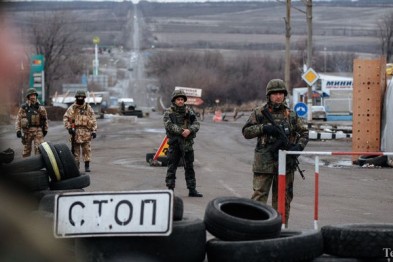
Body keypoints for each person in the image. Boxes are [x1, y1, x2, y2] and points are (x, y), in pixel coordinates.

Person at [242, 79, 309, 227]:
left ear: (284, 95)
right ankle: (255, 229)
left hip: (286, 163)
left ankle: (281, 229)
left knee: (283, 199)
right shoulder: (259, 112)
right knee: (259, 198)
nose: (278, 97)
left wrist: (298, 148)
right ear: (269, 95)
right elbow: (246, 132)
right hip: (264, 162)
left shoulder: (291, 115)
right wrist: (263, 128)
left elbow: (305, 132)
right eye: (275, 94)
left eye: (281, 94)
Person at [163, 89, 203, 197]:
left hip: (187, 144)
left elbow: (196, 123)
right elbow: (169, 126)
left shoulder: (188, 111)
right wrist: (182, 131)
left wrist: (189, 130)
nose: (180, 101)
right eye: (178, 99)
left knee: (189, 167)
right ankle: (170, 190)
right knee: (172, 167)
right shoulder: (169, 113)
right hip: (175, 144)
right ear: (174, 101)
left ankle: (192, 189)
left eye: (182, 99)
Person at [63, 90, 97, 172]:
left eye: (82, 97)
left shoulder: (88, 108)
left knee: (87, 150)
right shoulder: (72, 108)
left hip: (86, 132)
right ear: (76, 98)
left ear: (84, 98)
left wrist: (94, 130)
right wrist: (69, 128)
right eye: (79, 97)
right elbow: (66, 118)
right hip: (76, 132)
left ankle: (87, 165)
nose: (80, 99)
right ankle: (76, 166)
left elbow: (93, 119)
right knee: (75, 151)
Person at [15, 88, 48, 158]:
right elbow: (18, 119)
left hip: (38, 130)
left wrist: (45, 129)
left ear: (36, 96)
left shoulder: (41, 107)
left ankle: (38, 165)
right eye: (31, 95)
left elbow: (45, 119)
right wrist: (18, 130)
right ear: (28, 97)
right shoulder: (24, 107)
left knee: (39, 149)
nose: (33, 97)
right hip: (27, 131)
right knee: (26, 151)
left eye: (34, 95)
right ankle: (26, 166)